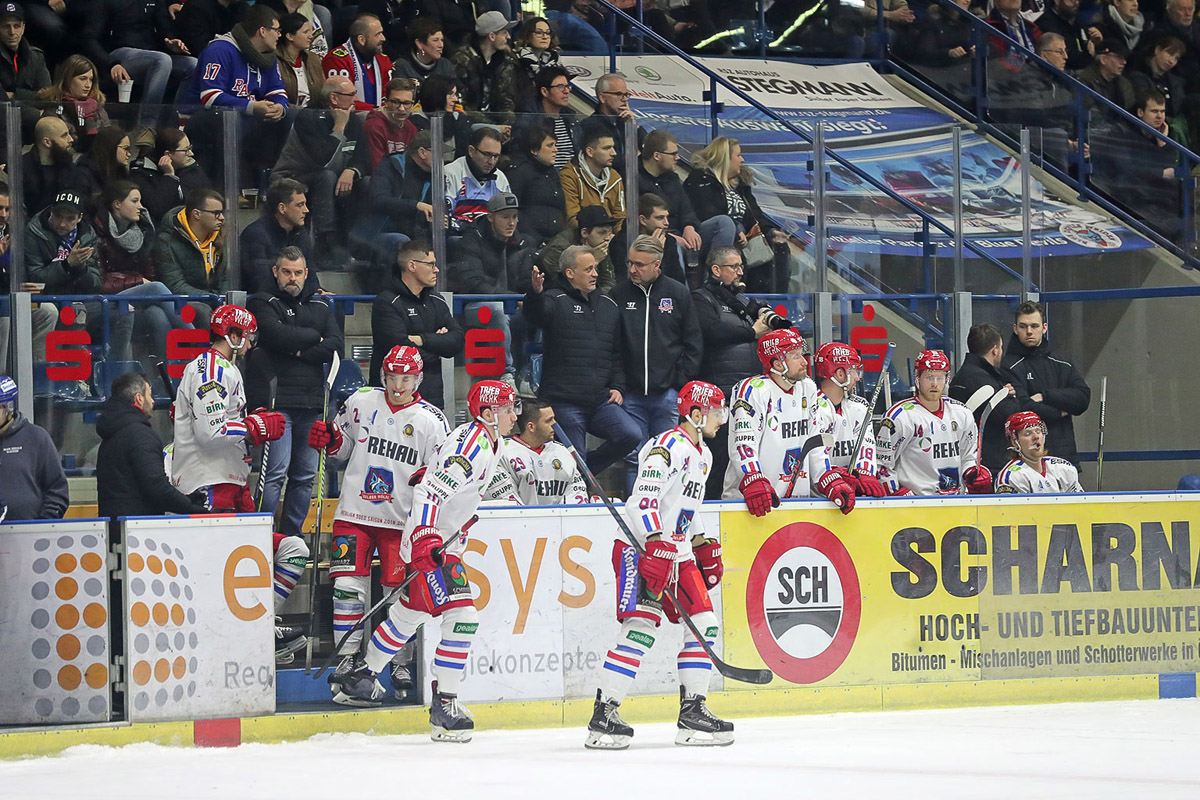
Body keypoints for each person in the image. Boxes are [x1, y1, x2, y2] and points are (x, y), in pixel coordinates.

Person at [331, 380, 519, 744]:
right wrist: (425, 537)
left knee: (408, 615)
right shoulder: (474, 444)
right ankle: (445, 704)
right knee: (464, 617)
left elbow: (432, 477)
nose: (514, 415)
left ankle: (364, 673)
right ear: (487, 413)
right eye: (508, 408)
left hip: (438, 542)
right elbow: (429, 490)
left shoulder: (489, 441)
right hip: (431, 548)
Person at [585, 380, 732, 751]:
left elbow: (685, 507)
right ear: (696, 414)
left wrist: (699, 542)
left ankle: (693, 710)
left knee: (705, 625)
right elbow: (642, 502)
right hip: (641, 548)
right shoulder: (667, 448)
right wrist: (655, 543)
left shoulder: (704, 454)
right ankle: (604, 714)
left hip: (676, 553)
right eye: (716, 411)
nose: (721, 419)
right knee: (641, 629)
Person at [311, 345, 449, 701]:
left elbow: (441, 476)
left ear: (418, 379)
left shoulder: (432, 421)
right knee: (346, 587)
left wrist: (428, 477)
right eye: (391, 377)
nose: (398, 385)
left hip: (401, 522)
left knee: (398, 596)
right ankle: (345, 657)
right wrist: (331, 439)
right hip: (354, 513)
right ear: (382, 376)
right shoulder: (360, 402)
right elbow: (341, 452)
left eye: (406, 378)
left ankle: (399, 661)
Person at [169, 304, 306, 661]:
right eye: (245, 337)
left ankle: (259, 624)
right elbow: (211, 433)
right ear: (232, 334)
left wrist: (249, 421)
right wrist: (254, 427)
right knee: (215, 577)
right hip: (208, 491)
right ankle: (243, 638)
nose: (249, 345)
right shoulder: (211, 370)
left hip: (232, 489)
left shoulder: (222, 369)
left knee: (293, 549)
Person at [246, 247, 342, 538]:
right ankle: (262, 535)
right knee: (274, 474)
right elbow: (275, 336)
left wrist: (295, 347)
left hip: (313, 402)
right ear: (275, 271)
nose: (292, 278)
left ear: (306, 274)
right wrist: (313, 338)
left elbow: (335, 343)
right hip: (278, 402)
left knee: (304, 478)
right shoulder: (263, 301)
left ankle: (291, 538)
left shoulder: (322, 305)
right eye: (286, 272)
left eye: (298, 273)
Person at [524, 245, 641, 476]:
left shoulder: (609, 305)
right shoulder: (554, 299)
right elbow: (536, 315)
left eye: (595, 269)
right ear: (570, 273)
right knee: (573, 462)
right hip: (564, 401)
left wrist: (617, 386)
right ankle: (581, 481)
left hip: (599, 401)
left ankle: (588, 468)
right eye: (588, 269)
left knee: (631, 435)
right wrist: (535, 294)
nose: (595, 274)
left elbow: (616, 352)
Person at [722, 329, 853, 514]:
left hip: (795, 504)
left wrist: (827, 478)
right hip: (751, 503)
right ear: (777, 363)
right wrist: (753, 478)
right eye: (795, 356)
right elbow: (743, 443)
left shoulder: (807, 387)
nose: (804, 362)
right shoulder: (752, 390)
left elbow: (814, 441)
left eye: (801, 354)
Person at [612, 235, 702, 482]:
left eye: (640, 264)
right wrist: (618, 383)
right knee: (634, 459)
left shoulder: (677, 293)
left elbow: (693, 342)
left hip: (667, 395)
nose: (632, 269)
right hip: (630, 394)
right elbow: (613, 345)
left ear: (657, 265)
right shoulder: (618, 293)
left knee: (668, 458)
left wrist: (679, 382)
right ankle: (634, 518)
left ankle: (666, 515)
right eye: (630, 263)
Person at [692, 246, 772, 495]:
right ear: (716, 270)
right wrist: (752, 332)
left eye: (741, 266)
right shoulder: (700, 298)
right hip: (720, 395)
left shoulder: (746, 303)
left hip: (750, 396)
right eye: (733, 267)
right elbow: (713, 331)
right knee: (718, 463)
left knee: (749, 460)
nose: (740, 272)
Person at [271, 76, 369, 264]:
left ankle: (359, 243)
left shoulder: (354, 120)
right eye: (351, 95)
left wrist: (352, 170)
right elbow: (322, 160)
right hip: (293, 175)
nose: (355, 100)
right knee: (327, 176)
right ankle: (326, 243)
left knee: (365, 182)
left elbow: (364, 157)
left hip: (335, 175)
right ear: (334, 98)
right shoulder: (308, 117)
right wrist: (339, 127)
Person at [186, 5, 290, 180]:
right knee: (233, 121)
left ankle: (272, 182)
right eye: (277, 29)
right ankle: (226, 189)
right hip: (204, 117)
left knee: (291, 117)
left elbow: (277, 91)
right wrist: (253, 106)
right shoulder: (220, 50)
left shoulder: (268, 56)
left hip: (247, 116)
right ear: (263, 31)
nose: (280, 34)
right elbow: (210, 97)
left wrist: (280, 107)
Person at [93, 179, 190, 362]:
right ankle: (196, 342)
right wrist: (138, 281)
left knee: (158, 315)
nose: (141, 207)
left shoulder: (144, 231)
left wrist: (141, 282)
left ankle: (168, 379)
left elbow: (150, 273)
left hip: (136, 299)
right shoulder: (97, 233)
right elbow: (98, 281)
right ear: (117, 205)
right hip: (106, 300)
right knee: (156, 288)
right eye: (135, 201)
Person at [877, 349, 990, 495]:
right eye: (929, 377)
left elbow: (969, 456)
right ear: (917, 377)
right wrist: (896, 494)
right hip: (916, 505)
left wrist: (972, 473)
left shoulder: (962, 413)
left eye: (940, 378)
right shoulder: (899, 417)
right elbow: (883, 464)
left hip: (956, 502)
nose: (935, 384)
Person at [96, 371, 207, 518]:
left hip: (114, 528)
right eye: (149, 395)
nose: (153, 401)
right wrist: (193, 508)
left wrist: (186, 500)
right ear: (139, 399)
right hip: (138, 532)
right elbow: (157, 488)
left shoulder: (111, 434)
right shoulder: (140, 435)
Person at [684, 137, 788, 291]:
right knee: (725, 223)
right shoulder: (700, 179)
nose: (742, 159)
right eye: (738, 155)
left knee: (781, 247)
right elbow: (705, 212)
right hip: (707, 235)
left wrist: (771, 231)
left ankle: (776, 298)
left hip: (741, 238)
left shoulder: (739, 186)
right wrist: (737, 227)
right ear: (725, 158)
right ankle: (715, 283)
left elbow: (754, 214)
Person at [370, 240, 463, 409]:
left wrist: (421, 340)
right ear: (412, 265)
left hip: (431, 398)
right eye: (430, 264)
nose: (437, 270)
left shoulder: (437, 301)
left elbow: (457, 341)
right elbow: (397, 348)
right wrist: (437, 348)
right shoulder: (387, 302)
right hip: (391, 400)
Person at [1000, 300, 1091, 467]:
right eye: (1023, 326)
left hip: (1064, 456)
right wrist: (1061, 412)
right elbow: (1023, 407)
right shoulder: (1008, 365)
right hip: (1025, 460)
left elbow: (1082, 398)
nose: (1029, 331)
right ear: (1015, 329)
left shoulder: (1062, 362)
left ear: (1044, 327)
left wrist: (1045, 396)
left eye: (1034, 326)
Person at [77, 0, 196, 126]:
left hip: (151, 54)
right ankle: (147, 126)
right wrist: (111, 63)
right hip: (119, 54)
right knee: (162, 60)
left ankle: (175, 124)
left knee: (192, 64)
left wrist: (171, 42)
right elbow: (89, 39)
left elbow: (165, 28)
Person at [639, 129, 733, 263]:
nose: (677, 158)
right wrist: (671, 237)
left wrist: (689, 227)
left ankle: (715, 277)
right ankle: (683, 284)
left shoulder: (672, 178)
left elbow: (686, 208)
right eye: (673, 154)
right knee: (673, 245)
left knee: (723, 222)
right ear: (657, 156)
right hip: (655, 236)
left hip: (681, 231)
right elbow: (640, 224)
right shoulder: (634, 179)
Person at [948, 323, 1027, 475]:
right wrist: (1012, 398)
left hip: (970, 459)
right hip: (987, 464)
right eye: (1001, 347)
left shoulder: (963, 375)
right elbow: (1007, 416)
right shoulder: (983, 380)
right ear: (995, 350)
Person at [811, 342, 886, 498]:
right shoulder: (814, 409)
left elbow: (866, 444)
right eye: (853, 371)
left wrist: (864, 473)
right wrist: (837, 475)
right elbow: (815, 458)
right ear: (839, 374)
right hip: (817, 499)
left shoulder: (859, 406)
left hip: (850, 493)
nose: (857, 378)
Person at [355, 129, 436, 273]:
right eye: (438, 153)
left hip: (418, 234)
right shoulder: (390, 166)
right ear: (422, 152)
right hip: (377, 233)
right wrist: (416, 206)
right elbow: (378, 200)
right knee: (400, 241)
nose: (442, 159)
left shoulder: (436, 177)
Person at [484, 397, 588, 504]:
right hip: (523, 519)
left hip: (559, 519)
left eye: (554, 419)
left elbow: (577, 491)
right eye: (549, 421)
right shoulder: (502, 453)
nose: (555, 425)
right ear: (531, 427)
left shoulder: (562, 451)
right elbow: (506, 501)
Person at [0, 375, 67, 520]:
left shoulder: (36, 438)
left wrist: (44, 524)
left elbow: (57, 489)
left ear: (9, 408)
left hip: (29, 536)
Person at [154, 189, 228, 315]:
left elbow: (226, 278)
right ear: (196, 214)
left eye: (222, 212)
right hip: (181, 304)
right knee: (202, 311)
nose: (222, 218)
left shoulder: (219, 238)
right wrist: (214, 299)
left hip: (216, 301)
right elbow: (174, 286)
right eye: (216, 213)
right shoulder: (168, 240)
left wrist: (225, 300)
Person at [240, 178, 317, 294]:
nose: (306, 210)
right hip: (266, 303)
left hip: (296, 297)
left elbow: (311, 276)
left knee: (332, 303)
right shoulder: (255, 234)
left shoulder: (301, 234)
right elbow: (259, 283)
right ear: (282, 208)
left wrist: (317, 291)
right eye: (300, 205)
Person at [129, 127, 212, 226]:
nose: (191, 154)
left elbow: (207, 196)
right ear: (168, 154)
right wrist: (169, 176)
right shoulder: (141, 175)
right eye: (186, 150)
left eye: (190, 148)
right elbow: (158, 210)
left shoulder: (191, 168)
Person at [450, 11, 518, 130]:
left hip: (495, 126)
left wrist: (508, 124)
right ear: (491, 36)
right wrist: (493, 128)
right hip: (467, 127)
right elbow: (461, 105)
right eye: (504, 33)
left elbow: (506, 99)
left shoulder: (504, 61)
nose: (509, 37)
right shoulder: (461, 61)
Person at [25, 190, 100, 297]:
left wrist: (81, 268)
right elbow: (34, 279)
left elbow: (96, 285)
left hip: (78, 298)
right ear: (51, 212)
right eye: (58, 216)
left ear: (79, 218)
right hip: (46, 299)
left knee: (120, 308)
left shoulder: (87, 235)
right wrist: (66, 264)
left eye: (70, 218)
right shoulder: (34, 231)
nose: (62, 224)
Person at [21, 116, 98, 217]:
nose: (71, 139)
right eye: (64, 136)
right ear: (47, 142)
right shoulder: (21, 168)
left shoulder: (69, 167)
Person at [506, 122, 566, 246]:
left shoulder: (553, 172)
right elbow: (513, 210)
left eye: (555, 145)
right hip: (530, 241)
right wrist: (536, 239)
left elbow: (561, 208)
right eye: (550, 145)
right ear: (534, 149)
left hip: (555, 241)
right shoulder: (519, 171)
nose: (556, 150)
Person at [995, 411, 1084, 493]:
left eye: (1038, 431)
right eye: (1027, 433)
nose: (1036, 436)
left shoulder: (1063, 468)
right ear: (1015, 442)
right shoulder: (1012, 477)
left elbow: (1080, 505)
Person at [443, 126, 510, 232]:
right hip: (459, 237)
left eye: (496, 156)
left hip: (489, 239)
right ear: (471, 151)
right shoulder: (451, 173)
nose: (491, 162)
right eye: (487, 155)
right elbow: (445, 217)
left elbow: (508, 218)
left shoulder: (500, 178)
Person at [538, 204, 617, 292]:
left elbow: (609, 281)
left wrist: (599, 298)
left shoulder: (600, 245)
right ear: (584, 233)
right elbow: (563, 283)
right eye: (602, 232)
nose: (607, 238)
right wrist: (594, 261)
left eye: (609, 233)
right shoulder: (559, 247)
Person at [323, 13, 392, 111]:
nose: (383, 38)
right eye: (378, 34)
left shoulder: (383, 60)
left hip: (378, 120)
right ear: (362, 40)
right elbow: (342, 101)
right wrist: (376, 110)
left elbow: (388, 96)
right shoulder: (337, 60)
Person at [560, 126, 625, 231]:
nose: (614, 153)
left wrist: (616, 240)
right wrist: (601, 235)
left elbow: (620, 218)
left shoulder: (615, 177)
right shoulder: (569, 175)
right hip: (582, 240)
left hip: (609, 240)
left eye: (613, 147)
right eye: (606, 148)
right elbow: (572, 219)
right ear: (590, 152)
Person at [514, 65, 577, 168]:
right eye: (560, 87)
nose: (566, 91)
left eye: (567, 86)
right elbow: (519, 154)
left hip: (573, 178)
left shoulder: (571, 119)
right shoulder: (529, 118)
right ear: (544, 91)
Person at [39, 55, 110, 144]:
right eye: (82, 79)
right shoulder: (54, 108)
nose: (88, 85)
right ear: (67, 79)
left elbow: (108, 140)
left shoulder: (98, 108)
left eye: (91, 79)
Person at [579, 72, 641, 165]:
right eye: (619, 94)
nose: (624, 99)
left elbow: (648, 151)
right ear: (602, 97)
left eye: (626, 95)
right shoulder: (590, 125)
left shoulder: (625, 122)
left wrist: (634, 126)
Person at [409, 74, 472, 163]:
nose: (455, 99)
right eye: (450, 94)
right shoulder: (416, 121)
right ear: (436, 94)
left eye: (455, 94)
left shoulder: (459, 119)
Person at [364, 77, 417, 171]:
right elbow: (378, 167)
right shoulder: (374, 126)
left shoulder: (411, 128)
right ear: (386, 102)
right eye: (395, 102)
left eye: (407, 103)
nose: (401, 109)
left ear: (412, 105)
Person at [0, 3, 50, 101]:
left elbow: (47, 95)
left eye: (16, 26)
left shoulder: (36, 57)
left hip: (31, 113)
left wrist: (14, 95)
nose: (12, 32)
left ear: (23, 28)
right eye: (6, 26)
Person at [1127, 36, 1186, 117]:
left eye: (1176, 58)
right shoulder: (1138, 75)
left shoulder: (1175, 83)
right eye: (1169, 53)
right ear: (1157, 50)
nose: (1171, 61)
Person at [276, 10, 325, 108]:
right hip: (285, 115)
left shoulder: (313, 59)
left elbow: (322, 92)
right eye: (305, 32)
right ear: (290, 36)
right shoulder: (274, 60)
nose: (310, 36)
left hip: (313, 115)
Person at [512, 15, 560, 112]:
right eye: (539, 33)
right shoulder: (516, 60)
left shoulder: (554, 62)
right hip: (522, 111)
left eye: (548, 33)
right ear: (527, 36)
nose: (544, 36)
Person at [1036, 0, 1102, 70]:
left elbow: (1086, 44)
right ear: (1057, 1)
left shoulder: (1076, 21)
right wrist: (1089, 56)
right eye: (1071, 0)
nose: (1076, 3)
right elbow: (1067, 55)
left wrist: (1096, 42)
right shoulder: (1047, 22)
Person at [1076, 38, 1136, 111]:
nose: (1124, 62)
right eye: (1118, 57)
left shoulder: (1124, 83)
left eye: (1124, 58)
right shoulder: (1085, 80)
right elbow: (1092, 115)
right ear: (1103, 60)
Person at [175, 0, 246, 60]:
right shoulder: (197, 6)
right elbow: (198, 46)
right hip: (193, 58)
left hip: (225, 58)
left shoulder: (241, 8)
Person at [392, 17, 456, 83]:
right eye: (435, 40)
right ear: (419, 43)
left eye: (442, 40)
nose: (441, 45)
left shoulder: (445, 65)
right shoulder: (403, 66)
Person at [79, 125, 133, 201]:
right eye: (125, 148)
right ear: (111, 147)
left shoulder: (122, 174)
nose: (129, 154)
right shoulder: (83, 174)